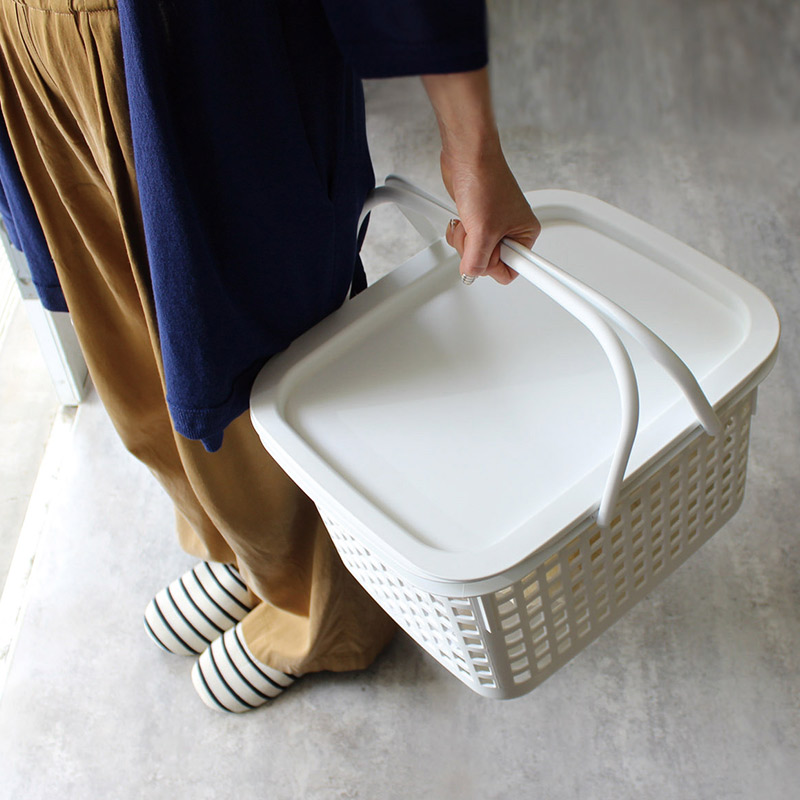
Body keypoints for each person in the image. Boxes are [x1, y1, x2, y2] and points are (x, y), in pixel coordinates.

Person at [0, 0, 540, 712]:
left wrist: (470, 146)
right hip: (29, 39)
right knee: (134, 354)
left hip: (200, 45)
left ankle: (326, 605)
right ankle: (248, 555)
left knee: (255, 359)